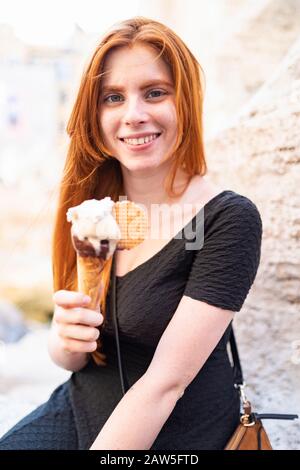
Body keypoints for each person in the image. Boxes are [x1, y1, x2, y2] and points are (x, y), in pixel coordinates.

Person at [0, 16, 262, 450]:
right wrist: (63, 337)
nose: (134, 115)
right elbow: (75, 359)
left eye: (155, 92)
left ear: (186, 101)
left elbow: (166, 384)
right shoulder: (94, 208)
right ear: (93, 112)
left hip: (172, 433)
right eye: (113, 97)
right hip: (80, 409)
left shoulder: (225, 219)